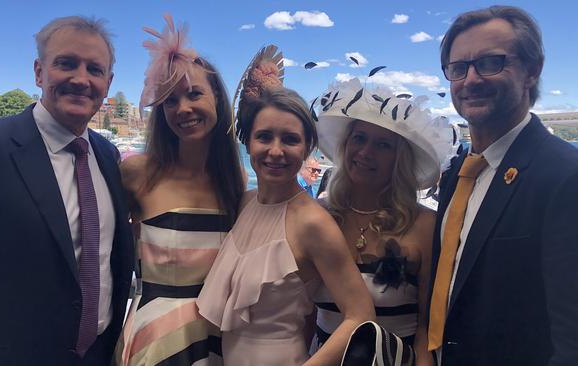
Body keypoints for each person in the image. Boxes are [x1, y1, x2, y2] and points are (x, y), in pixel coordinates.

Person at [0, 16, 134, 365]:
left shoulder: (108, 156)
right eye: (66, 63)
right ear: (39, 72)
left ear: (108, 82)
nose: (81, 79)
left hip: (98, 355)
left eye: (94, 69)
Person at [429, 5, 578, 365]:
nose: (471, 80)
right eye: (458, 68)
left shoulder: (564, 177)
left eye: (491, 63)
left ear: (532, 70)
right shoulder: (458, 173)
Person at [197, 75, 375, 364]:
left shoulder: (313, 222)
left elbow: (361, 315)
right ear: (249, 143)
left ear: (307, 149)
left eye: (290, 140)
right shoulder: (245, 202)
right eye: (264, 137)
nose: (275, 151)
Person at [115, 15, 244, 366]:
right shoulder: (136, 174)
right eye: (170, 100)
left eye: (194, 94)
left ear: (217, 98)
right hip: (153, 340)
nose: (183, 108)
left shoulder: (235, 185)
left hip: (219, 340)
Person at [310, 78, 453, 366]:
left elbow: (428, 326)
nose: (365, 152)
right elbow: (302, 315)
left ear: (399, 158)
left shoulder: (425, 225)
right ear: (345, 144)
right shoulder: (317, 216)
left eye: (383, 145)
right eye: (359, 138)